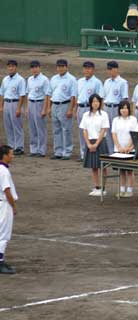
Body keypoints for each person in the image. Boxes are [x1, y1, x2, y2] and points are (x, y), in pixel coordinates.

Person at [79, 94, 110, 197]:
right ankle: (97, 187)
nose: (95, 103)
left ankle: (103, 188)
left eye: (97, 101)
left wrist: (96, 143)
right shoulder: (86, 115)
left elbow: (104, 129)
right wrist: (88, 143)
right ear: (90, 103)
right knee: (94, 166)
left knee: (103, 166)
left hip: (100, 142)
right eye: (93, 101)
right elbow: (84, 130)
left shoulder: (104, 114)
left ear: (100, 103)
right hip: (90, 142)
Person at [47, 59, 77, 160]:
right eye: (59, 66)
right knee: (56, 130)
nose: (60, 68)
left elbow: (73, 96)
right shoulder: (54, 78)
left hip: (65, 105)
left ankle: (67, 151)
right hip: (54, 105)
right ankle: (58, 151)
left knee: (66, 129)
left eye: (62, 66)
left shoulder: (71, 79)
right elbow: (49, 94)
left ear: (66, 67)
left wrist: (70, 109)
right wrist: (49, 107)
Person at [77, 61, 105, 161]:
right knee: (82, 131)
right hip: (80, 107)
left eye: (89, 68)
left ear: (93, 70)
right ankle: (83, 154)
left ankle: (93, 151)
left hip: (91, 109)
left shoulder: (97, 82)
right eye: (85, 68)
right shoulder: (79, 81)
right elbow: (77, 96)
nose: (86, 70)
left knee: (92, 131)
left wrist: (99, 112)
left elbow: (100, 98)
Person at [112, 100, 137, 197]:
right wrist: (118, 147)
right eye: (122, 108)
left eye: (126, 108)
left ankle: (130, 190)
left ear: (129, 109)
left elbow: (134, 134)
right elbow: (114, 134)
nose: (124, 110)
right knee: (121, 170)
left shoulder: (133, 119)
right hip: (119, 149)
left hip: (130, 149)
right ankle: (122, 189)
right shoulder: (116, 120)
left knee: (130, 170)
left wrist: (128, 147)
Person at [0, 60, 26, 155]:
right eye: (9, 66)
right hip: (6, 103)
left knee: (17, 126)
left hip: (15, 103)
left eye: (12, 66)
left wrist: (19, 108)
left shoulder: (20, 80)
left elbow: (22, 95)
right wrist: (1, 106)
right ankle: (11, 146)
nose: (11, 68)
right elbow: (2, 93)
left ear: (16, 67)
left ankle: (19, 147)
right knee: (8, 126)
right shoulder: (5, 79)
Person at [104, 61, 129, 154]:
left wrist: (122, 111)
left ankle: (117, 151)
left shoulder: (122, 82)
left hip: (116, 108)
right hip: (107, 107)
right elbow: (104, 97)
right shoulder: (106, 82)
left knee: (116, 130)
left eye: (111, 69)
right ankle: (111, 152)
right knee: (107, 130)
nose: (110, 71)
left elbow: (124, 99)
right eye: (108, 69)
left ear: (116, 69)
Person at [0, 145, 18, 274]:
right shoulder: (4, 171)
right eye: (11, 154)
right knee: (3, 234)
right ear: (5, 155)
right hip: (4, 205)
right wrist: (14, 206)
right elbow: (7, 191)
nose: (12, 156)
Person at [26, 60, 49, 157]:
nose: (34, 69)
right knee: (32, 128)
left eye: (36, 67)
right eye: (32, 67)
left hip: (40, 103)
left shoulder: (44, 79)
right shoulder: (29, 79)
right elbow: (28, 93)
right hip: (31, 103)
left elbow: (47, 95)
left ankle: (41, 150)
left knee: (40, 128)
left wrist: (44, 109)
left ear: (39, 68)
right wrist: (27, 108)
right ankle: (33, 149)